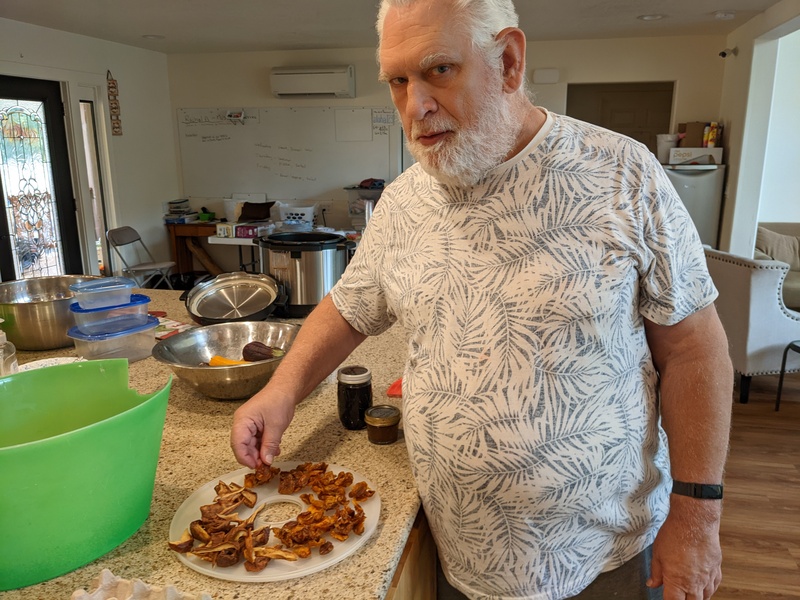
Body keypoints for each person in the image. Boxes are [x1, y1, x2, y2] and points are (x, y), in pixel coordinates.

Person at [231, 0, 733, 597]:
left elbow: (696, 354)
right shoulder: (402, 203)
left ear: (510, 61)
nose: (414, 107)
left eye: (439, 69)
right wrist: (280, 390)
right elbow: (349, 307)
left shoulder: (623, 175)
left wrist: (698, 518)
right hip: (459, 556)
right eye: (398, 80)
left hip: (603, 560)